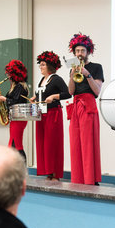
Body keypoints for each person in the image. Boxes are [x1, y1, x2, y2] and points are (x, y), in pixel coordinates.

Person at [67, 33, 104, 185]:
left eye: (82, 51)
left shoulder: (96, 67)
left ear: (88, 52)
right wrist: (72, 75)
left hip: (88, 106)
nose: (80, 54)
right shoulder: (73, 68)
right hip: (76, 106)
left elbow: (97, 91)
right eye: (77, 51)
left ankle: (90, 179)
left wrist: (87, 74)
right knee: (75, 143)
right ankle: (78, 178)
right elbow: (70, 91)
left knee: (88, 143)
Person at [31, 51, 70, 180]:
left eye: (43, 65)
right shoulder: (42, 80)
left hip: (53, 114)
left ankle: (55, 173)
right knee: (43, 143)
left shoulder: (56, 79)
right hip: (41, 114)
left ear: (50, 66)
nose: (40, 67)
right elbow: (42, 95)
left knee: (52, 143)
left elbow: (68, 93)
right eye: (40, 65)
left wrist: (54, 96)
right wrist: (35, 98)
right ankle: (47, 171)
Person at [0, 59, 29, 161]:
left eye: (10, 74)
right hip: (15, 117)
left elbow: (16, 101)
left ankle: (22, 169)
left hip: (19, 118)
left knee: (17, 145)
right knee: (13, 144)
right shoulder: (15, 86)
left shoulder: (19, 86)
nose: (8, 76)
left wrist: (4, 99)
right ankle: (17, 169)